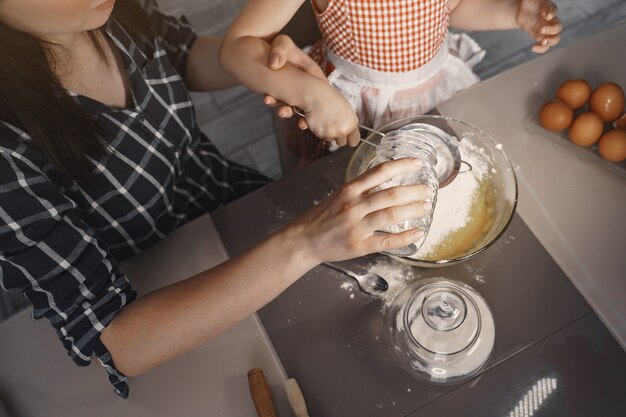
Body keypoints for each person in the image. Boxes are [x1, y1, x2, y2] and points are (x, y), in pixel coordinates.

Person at [0, 0, 432, 398]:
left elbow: (185, 55)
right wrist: (308, 240)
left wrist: (272, 68)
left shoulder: (113, 13)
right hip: (174, 310)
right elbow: (119, 341)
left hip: (233, 203)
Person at [221, 0, 563, 165]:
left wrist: (513, 13)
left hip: (438, 91)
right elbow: (236, 48)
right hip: (351, 110)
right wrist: (308, 93)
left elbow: (450, 9)